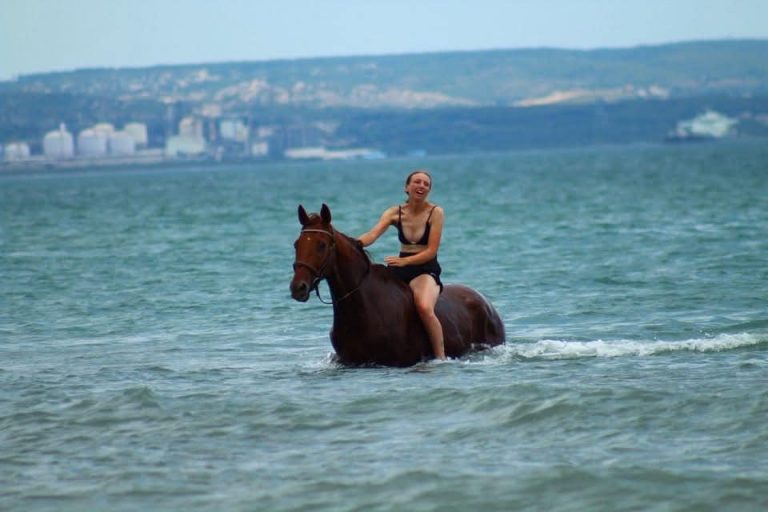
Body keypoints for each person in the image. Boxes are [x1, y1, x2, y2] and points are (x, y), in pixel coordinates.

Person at [357, 170, 446, 360]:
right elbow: (371, 236)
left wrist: (405, 261)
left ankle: (441, 358)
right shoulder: (393, 212)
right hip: (399, 268)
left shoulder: (436, 212)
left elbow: (431, 251)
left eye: (426, 184)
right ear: (407, 187)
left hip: (425, 269)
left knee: (423, 307)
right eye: (417, 182)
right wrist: (350, 244)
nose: (421, 186)